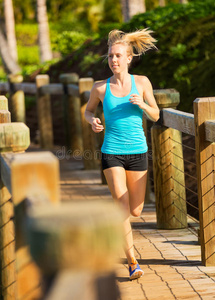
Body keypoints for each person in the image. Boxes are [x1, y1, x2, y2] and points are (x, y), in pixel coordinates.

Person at [84, 29, 160, 280]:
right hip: (111, 152)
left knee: (136, 210)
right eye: (110, 57)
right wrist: (92, 121)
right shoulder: (99, 88)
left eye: (118, 56)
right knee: (121, 207)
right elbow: (87, 112)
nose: (113, 60)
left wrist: (143, 104)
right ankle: (132, 262)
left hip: (138, 151)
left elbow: (156, 115)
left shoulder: (142, 82)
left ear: (129, 58)